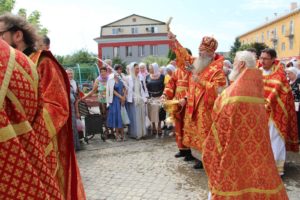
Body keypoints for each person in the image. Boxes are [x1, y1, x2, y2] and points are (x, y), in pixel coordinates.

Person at [0, 13, 86, 199]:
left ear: (17, 35)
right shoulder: (9, 66)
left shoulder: (43, 62)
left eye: (1, 35)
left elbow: (57, 105)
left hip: (44, 145)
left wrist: (32, 134)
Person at [202, 51, 288, 199]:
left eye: (235, 61)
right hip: (257, 148)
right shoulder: (256, 89)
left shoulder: (233, 92)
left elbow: (219, 116)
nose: (233, 64)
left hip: (233, 149)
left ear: (241, 64)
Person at [168, 31, 226, 169]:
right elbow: (184, 60)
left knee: (205, 133)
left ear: (211, 54)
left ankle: (206, 159)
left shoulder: (217, 70)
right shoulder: (195, 66)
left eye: (203, 52)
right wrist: (175, 42)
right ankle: (198, 157)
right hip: (193, 104)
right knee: (195, 133)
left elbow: (219, 89)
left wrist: (200, 81)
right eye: (199, 51)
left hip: (206, 108)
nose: (200, 54)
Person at [258, 48, 299, 175]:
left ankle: (276, 170)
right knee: (261, 140)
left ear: (273, 59)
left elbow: (284, 95)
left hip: (276, 113)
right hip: (259, 112)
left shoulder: (280, 75)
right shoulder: (257, 72)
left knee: (275, 139)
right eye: (261, 57)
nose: (262, 60)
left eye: (265, 58)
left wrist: (269, 102)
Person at [162, 50, 194, 161]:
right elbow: (171, 84)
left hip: (188, 102)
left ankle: (190, 152)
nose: (178, 60)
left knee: (187, 127)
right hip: (177, 103)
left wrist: (185, 98)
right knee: (179, 127)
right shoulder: (177, 71)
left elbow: (194, 88)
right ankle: (182, 149)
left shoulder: (192, 71)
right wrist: (165, 94)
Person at [126, 62, 149, 139]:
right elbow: (127, 90)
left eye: (138, 68)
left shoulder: (140, 77)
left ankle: (142, 133)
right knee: (135, 117)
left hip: (141, 99)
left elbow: (143, 88)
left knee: (141, 116)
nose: (138, 70)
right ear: (132, 69)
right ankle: (136, 134)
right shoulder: (128, 78)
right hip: (133, 100)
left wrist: (145, 98)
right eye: (136, 68)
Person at [146, 62, 166, 137]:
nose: (149, 69)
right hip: (151, 98)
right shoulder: (147, 76)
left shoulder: (162, 76)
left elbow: (165, 87)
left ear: (155, 68)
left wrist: (163, 96)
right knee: (151, 113)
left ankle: (159, 126)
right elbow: (145, 87)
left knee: (160, 113)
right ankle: (153, 126)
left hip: (160, 97)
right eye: (149, 68)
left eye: (151, 68)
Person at [106, 69, 126, 141]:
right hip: (114, 101)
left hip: (121, 100)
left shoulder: (121, 79)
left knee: (121, 117)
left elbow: (124, 88)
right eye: (117, 70)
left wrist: (124, 97)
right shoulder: (111, 80)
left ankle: (122, 134)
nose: (119, 71)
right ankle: (117, 134)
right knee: (116, 117)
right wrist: (121, 97)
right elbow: (112, 91)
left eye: (120, 70)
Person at [66, 68, 81, 151]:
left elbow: (77, 98)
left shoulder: (75, 83)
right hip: (67, 108)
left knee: (74, 127)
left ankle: (75, 146)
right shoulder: (64, 82)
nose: (70, 75)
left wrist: (78, 111)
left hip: (73, 106)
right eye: (68, 74)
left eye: (71, 74)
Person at [286, 67, 300, 143]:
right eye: (287, 73)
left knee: (297, 120)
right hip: (289, 105)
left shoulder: (298, 82)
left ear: (294, 73)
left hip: (297, 104)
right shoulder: (287, 82)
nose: (287, 75)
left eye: (289, 73)